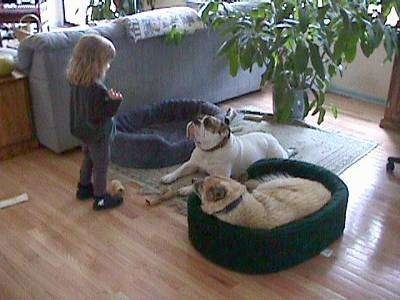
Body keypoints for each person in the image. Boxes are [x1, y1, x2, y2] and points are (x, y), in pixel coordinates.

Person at [67, 34, 123, 210]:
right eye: (106, 62)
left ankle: (83, 188)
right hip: (97, 133)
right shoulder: (97, 89)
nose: (107, 66)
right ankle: (100, 197)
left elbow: (86, 108)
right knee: (101, 164)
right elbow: (102, 114)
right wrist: (114, 101)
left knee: (88, 158)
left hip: (83, 130)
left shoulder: (76, 81)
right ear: (96, 63)